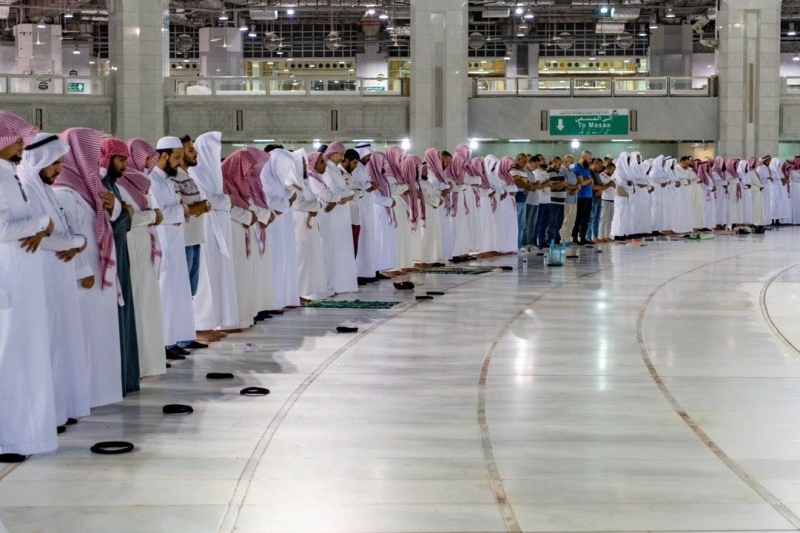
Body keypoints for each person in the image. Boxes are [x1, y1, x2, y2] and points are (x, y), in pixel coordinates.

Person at [18, 132, 91, 427]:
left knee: (62, 341)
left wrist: (76, 243)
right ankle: (48, 415)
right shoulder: (27, 188)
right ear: (40, 160)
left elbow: (60, 231)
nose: (60, 169)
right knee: (47, 343)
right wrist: (77, 242)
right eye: (55, 163)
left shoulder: (46, 189)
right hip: (41, 274)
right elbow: (40, 238)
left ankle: (62, 409)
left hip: (60, 274)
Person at [0, 113, 57, 462]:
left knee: (25, 358)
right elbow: (3, 229)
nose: (23, 144)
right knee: (11, 361)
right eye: (17, 138)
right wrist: (41, 222)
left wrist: (38, 225)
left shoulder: (9, 174)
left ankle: (25, 436)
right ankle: (9, 440)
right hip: (10, 279)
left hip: (23, 280)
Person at [54, 127, 123, 408]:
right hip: (82, 273)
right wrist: (81, 269)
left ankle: (102, 391)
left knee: (102, 332)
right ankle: (84, 395)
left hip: (101, 266)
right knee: (84, 334)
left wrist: (114, 205)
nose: (97, 159)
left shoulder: (92, 185)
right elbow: (66, 234)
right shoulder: (63, 189)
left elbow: (109, 219)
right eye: (91, 152)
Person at [117, 139, 168, 378]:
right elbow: (127, 218)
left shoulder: (140, 182)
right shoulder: (120, 184)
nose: (150, 163)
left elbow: (152, 213)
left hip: (143, 247)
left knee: (148, 306)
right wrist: (151, 216)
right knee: (138, 305)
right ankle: (140, 364)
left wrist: (152, 215)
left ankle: (150, 362)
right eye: (147, 158)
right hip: (131, 247)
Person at [99, 138, 140, 394]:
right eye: (120, 159)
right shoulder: (100, 185)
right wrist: (127, 213)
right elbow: (111, 226)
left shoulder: (112, 185)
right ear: (106, 157)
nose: (125, 165)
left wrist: (125, 212)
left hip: (120, 252)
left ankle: (125, 378)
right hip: (110, 255)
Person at [151, 137, 197, 359]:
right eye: (177, 157)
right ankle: (163, 343)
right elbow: (160, 214)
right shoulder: (152, 180)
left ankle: (174, 339)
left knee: (178, 292)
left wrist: (182, 211)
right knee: (166, 294)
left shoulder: (168, 181)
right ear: (164, 155)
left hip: (176, 241)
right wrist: (184, 211)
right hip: (163, 242)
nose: (180, 162)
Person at [190, 132, 239, 335]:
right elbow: (206, 199)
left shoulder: (212, 173)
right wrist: (227, 200)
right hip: (205, 229)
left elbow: (214, 199)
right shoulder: (195, 171)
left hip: (219, 229)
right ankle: (200, 324)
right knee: (204, 277)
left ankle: (215, 321)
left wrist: (224, 201)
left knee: (217, 275)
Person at [172, 135, 212, 345]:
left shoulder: (188, 177)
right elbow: (182, 209)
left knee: (190, 292)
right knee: (181, 291)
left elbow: (195, 207)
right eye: (190, 151)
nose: (195, 154)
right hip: (183, 240)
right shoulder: (174, 178)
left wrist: (200, 207)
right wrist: (201, 206)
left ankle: (186, 336)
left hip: (195, 238)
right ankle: (178, 339)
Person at [221, 149, 260, 328]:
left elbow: (248, 205)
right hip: (230, 231)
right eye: (246, 168)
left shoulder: (241, 184)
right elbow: (227, 208)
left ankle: (243, 319)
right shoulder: (223, 181)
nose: (249, 172)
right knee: (234, 276)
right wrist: (248, 217)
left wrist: (251, 215)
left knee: (243, 276)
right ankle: (231, 322)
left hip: (243, 231)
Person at [571, 150, 594, 245]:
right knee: (579, 218)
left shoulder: (586, 167)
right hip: (581, 196)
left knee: (586, 218)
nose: (590, 161)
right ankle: (575, 237)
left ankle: (583, 237)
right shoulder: (577, 167)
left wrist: (589, 180)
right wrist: (590, 180)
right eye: (589, 159)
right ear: (584, 158)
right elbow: (582, 182)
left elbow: (588, 181)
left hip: (589, 195)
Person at [559, 154, 579, 243]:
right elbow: (566, 185)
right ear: (565, 162)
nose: (572, 164)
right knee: (565, 221)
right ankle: (563, 239)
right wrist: (576, 187)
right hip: (566, 200)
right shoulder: (562, 171)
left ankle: (568, 238)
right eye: (571, 162)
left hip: (573, 200)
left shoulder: (572, 172)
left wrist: (577, 189)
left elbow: (577, 184)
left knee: (571, 221)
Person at [547, 156, 567, 245]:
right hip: (553, 201)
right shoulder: (549, 173)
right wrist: (560, 184)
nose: (560, 166)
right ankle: (551, 239)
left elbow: (564, 185)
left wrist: (561, 185)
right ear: (554, 163)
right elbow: (550, 187)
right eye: (559, 164)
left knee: (559, 221)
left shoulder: (560, 173)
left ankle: (556, 238)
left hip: (561, 200)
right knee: (553, 221)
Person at [597, 162, 616, 242]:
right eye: (612, 170)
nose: (613, 172)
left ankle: (607, 236)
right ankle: (600, 236)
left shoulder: (610, 177)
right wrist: (610, 184)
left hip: (612, 200)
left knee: (610, 219)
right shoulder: (601, 176)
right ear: (607, 168)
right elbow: (602, 187)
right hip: (605, 200)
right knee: (603, 219)